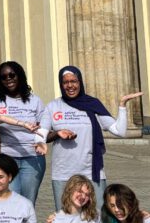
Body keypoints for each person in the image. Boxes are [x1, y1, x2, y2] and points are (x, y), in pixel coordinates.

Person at [41, 66, 142, 206]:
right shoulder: (53, 106)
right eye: (65, 82)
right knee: (65, 219)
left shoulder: (92, 104)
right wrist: (57, 134)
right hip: (63, 172)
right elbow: (42, 136)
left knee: (97, 217)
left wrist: (122, 106)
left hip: (91, 172)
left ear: (80, 82)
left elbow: (120, 131)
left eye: (74, 81)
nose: (70, 85)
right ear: (61, 84)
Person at [0, 62, 46, 205]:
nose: (8, 79)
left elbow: (43, 129)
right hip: (7, 158)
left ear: (20, 76)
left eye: (12, 75)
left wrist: (57, 134)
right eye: (3, 77)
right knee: (9, 202)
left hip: (33, 158)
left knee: (28, 203)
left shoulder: (35, 100)